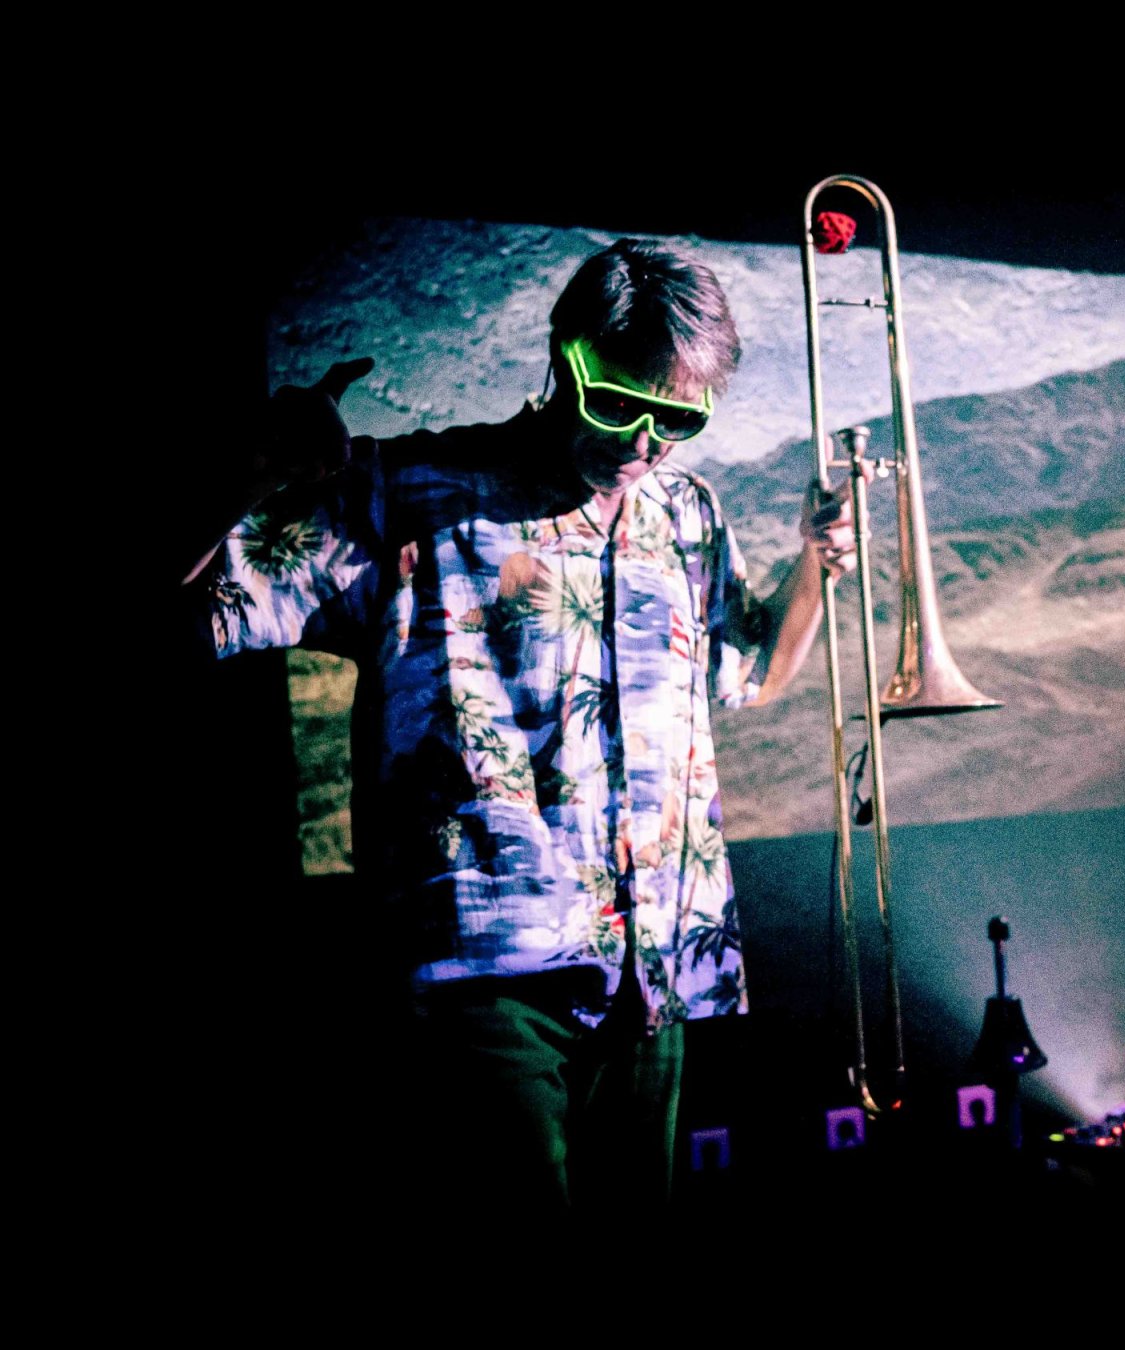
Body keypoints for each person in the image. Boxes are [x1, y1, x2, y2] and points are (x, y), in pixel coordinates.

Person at [185, 239, 854, 1207]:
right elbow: (202, 606)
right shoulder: (409, 491)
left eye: (677, 418)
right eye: (617, 403)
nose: (642, 442)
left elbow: (750, 671)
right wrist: (253, 469)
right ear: (562, 354)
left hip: (654, 968)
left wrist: (816, 566)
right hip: (483, 970)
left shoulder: (685, 514)